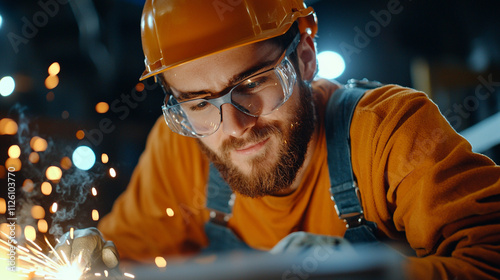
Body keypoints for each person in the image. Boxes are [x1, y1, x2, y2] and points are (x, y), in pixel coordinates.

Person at [55, 0, 500, 279]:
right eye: (199, 103)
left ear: (305, 59)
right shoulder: (181, 150)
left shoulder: (389, 132)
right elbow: (125, 258)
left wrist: (377, 274)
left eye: (252, 83)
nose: (233, 125)